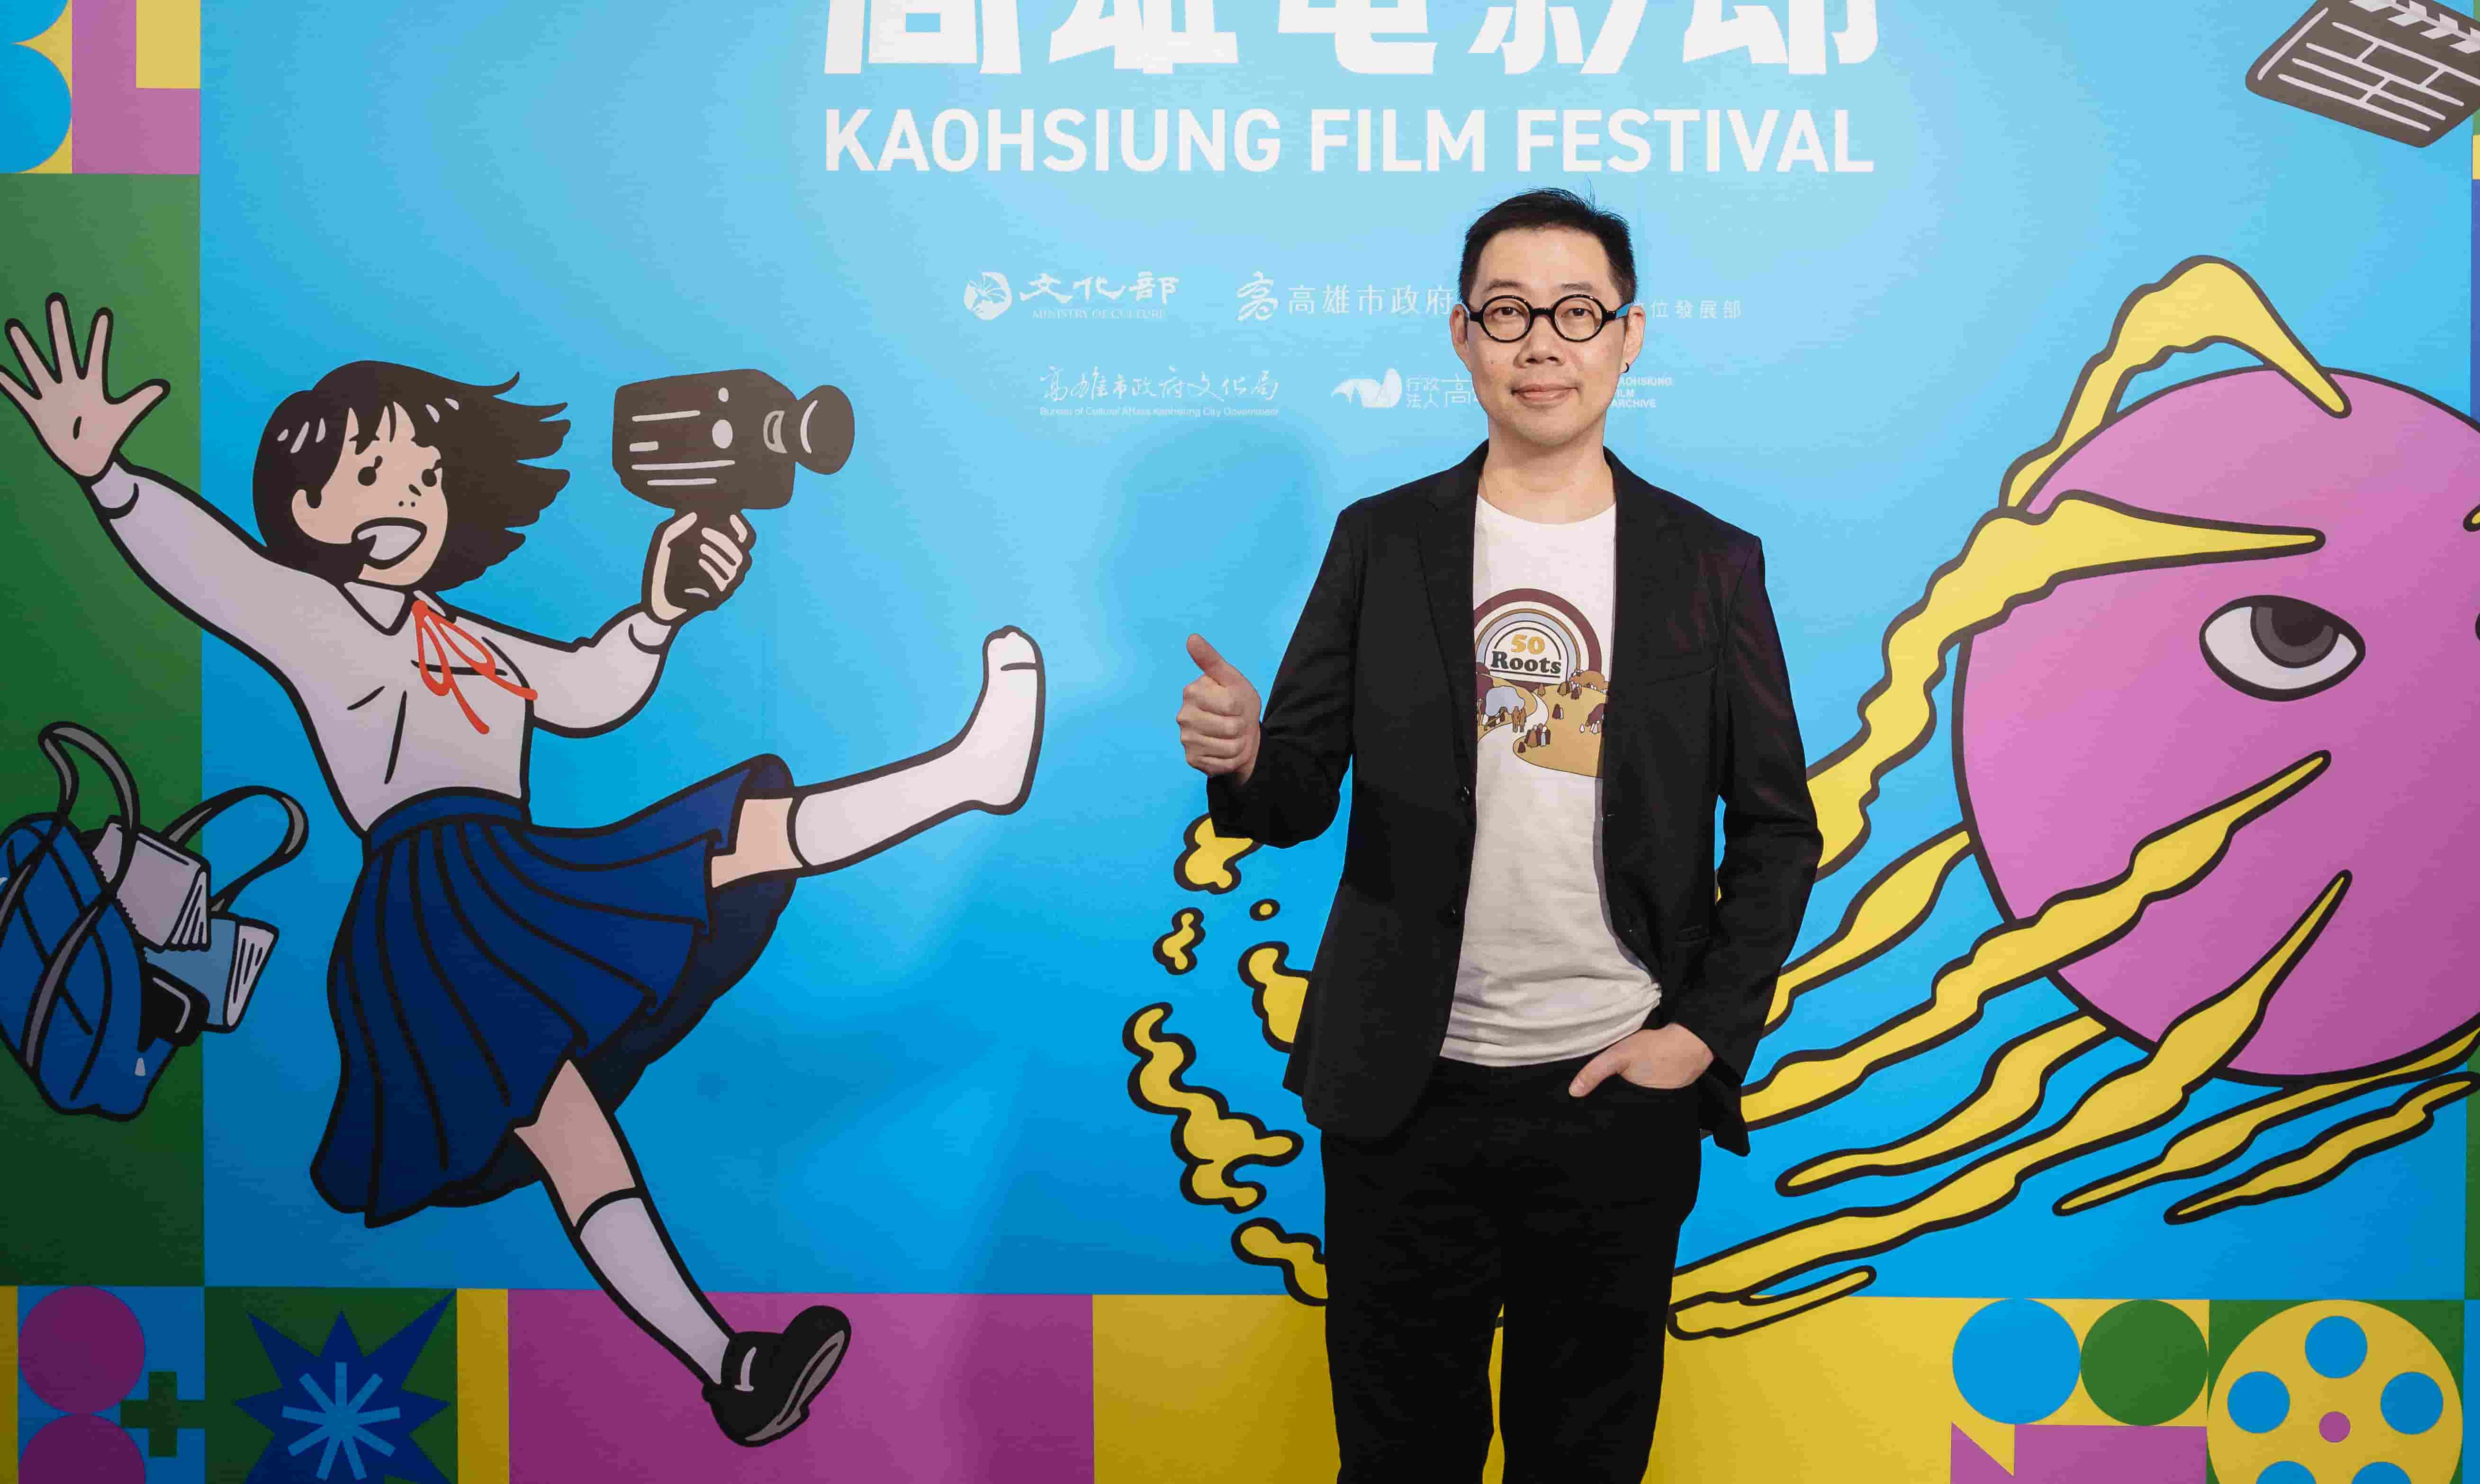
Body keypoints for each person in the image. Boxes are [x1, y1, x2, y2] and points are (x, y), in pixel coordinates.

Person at [3, 299, 1046, 1448]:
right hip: (434, 905)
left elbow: (590, 691)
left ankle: (735, 1369)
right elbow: (214, 573)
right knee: (647, 990)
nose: (407, 495)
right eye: (370, 472)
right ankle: (964, 778)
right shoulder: (314, 616)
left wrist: (659, 611)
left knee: (635, 1018)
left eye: (423, 475)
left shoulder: (464, 635)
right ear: (306, 511)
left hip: (510, 873)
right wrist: (109, 478)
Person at [1176, 190, 1822, 1482]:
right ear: (1461, 334)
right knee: (1398, 1456)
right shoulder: (1382, 540)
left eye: (1576, 312)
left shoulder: (1708, 562)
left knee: (1584, 1455)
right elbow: (1296, 793)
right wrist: (1244, 758)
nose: (1542, 342)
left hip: (1613, 1091)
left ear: (1628, 335)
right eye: (1509, 311)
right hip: (1402, 1088)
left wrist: (1698, 1035)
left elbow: (1775, 827)